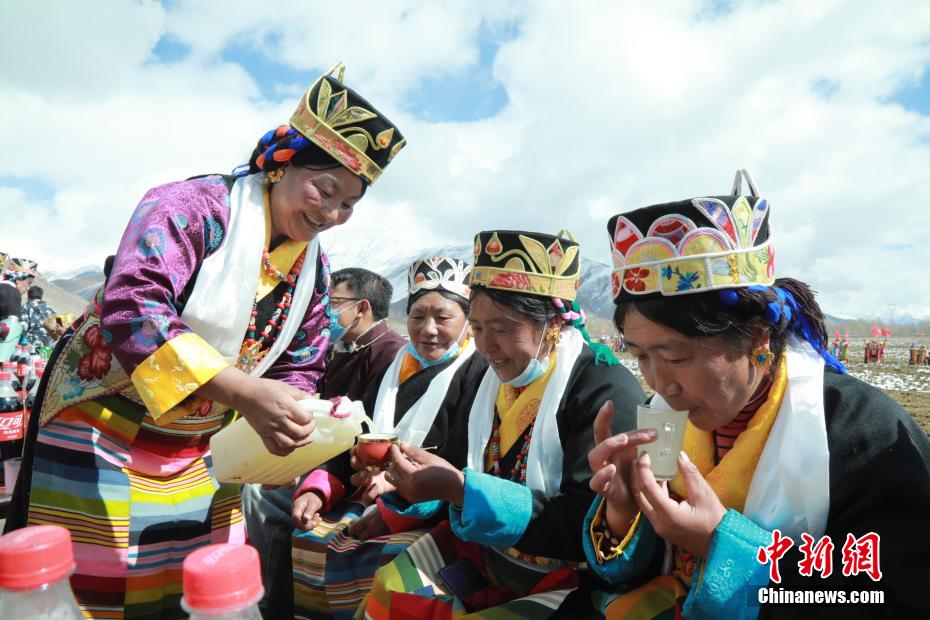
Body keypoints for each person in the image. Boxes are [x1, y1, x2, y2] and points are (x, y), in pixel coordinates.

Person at [5, 62, 407, 619]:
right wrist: (244, 392)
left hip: (206, 445)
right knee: (100, 582)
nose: (333, 213)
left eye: (349, 204)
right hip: (105, 419)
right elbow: (134, 307)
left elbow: (303, 359)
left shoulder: (313, 269)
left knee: (198, 581)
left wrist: (291, 414)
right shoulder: (192, 208)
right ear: (281, 163)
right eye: (326, 188)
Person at [583, 170, 930, 618]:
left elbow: (894, 599)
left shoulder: (865, 434)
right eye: (641, 357)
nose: (660, 385)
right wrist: (624, 507)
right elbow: (651, 567)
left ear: (757, 336)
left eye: (676, 357)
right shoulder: (662, 414)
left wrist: (721, 546)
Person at [358, 230, 645, 618]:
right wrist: (413, 488)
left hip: (571, 581)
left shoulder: (602, 389)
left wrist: (464, 491)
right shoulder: (491, 380)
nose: (486, 345)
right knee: (389, 591)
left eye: (503, 327)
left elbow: (591, 520)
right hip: (486, 555)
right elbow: (457, 464)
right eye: (477, 328)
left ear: (553, 323)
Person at [290, 255, 488, 618]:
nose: (428, 330)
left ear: (467, 321)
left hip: (432, 512)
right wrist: (320, 487)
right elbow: (354, 436)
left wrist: (396, 500)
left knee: (389, 560)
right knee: (306, 534)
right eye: (417, 316)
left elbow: (467, 465)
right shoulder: (394, 367)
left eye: (443, 318)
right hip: (368, 494)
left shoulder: (481, 375)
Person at [321, 267, 408, 401]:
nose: (323, 310)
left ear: (362, 308)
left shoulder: (394, 355)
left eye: (332, 302)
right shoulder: (334, 348)